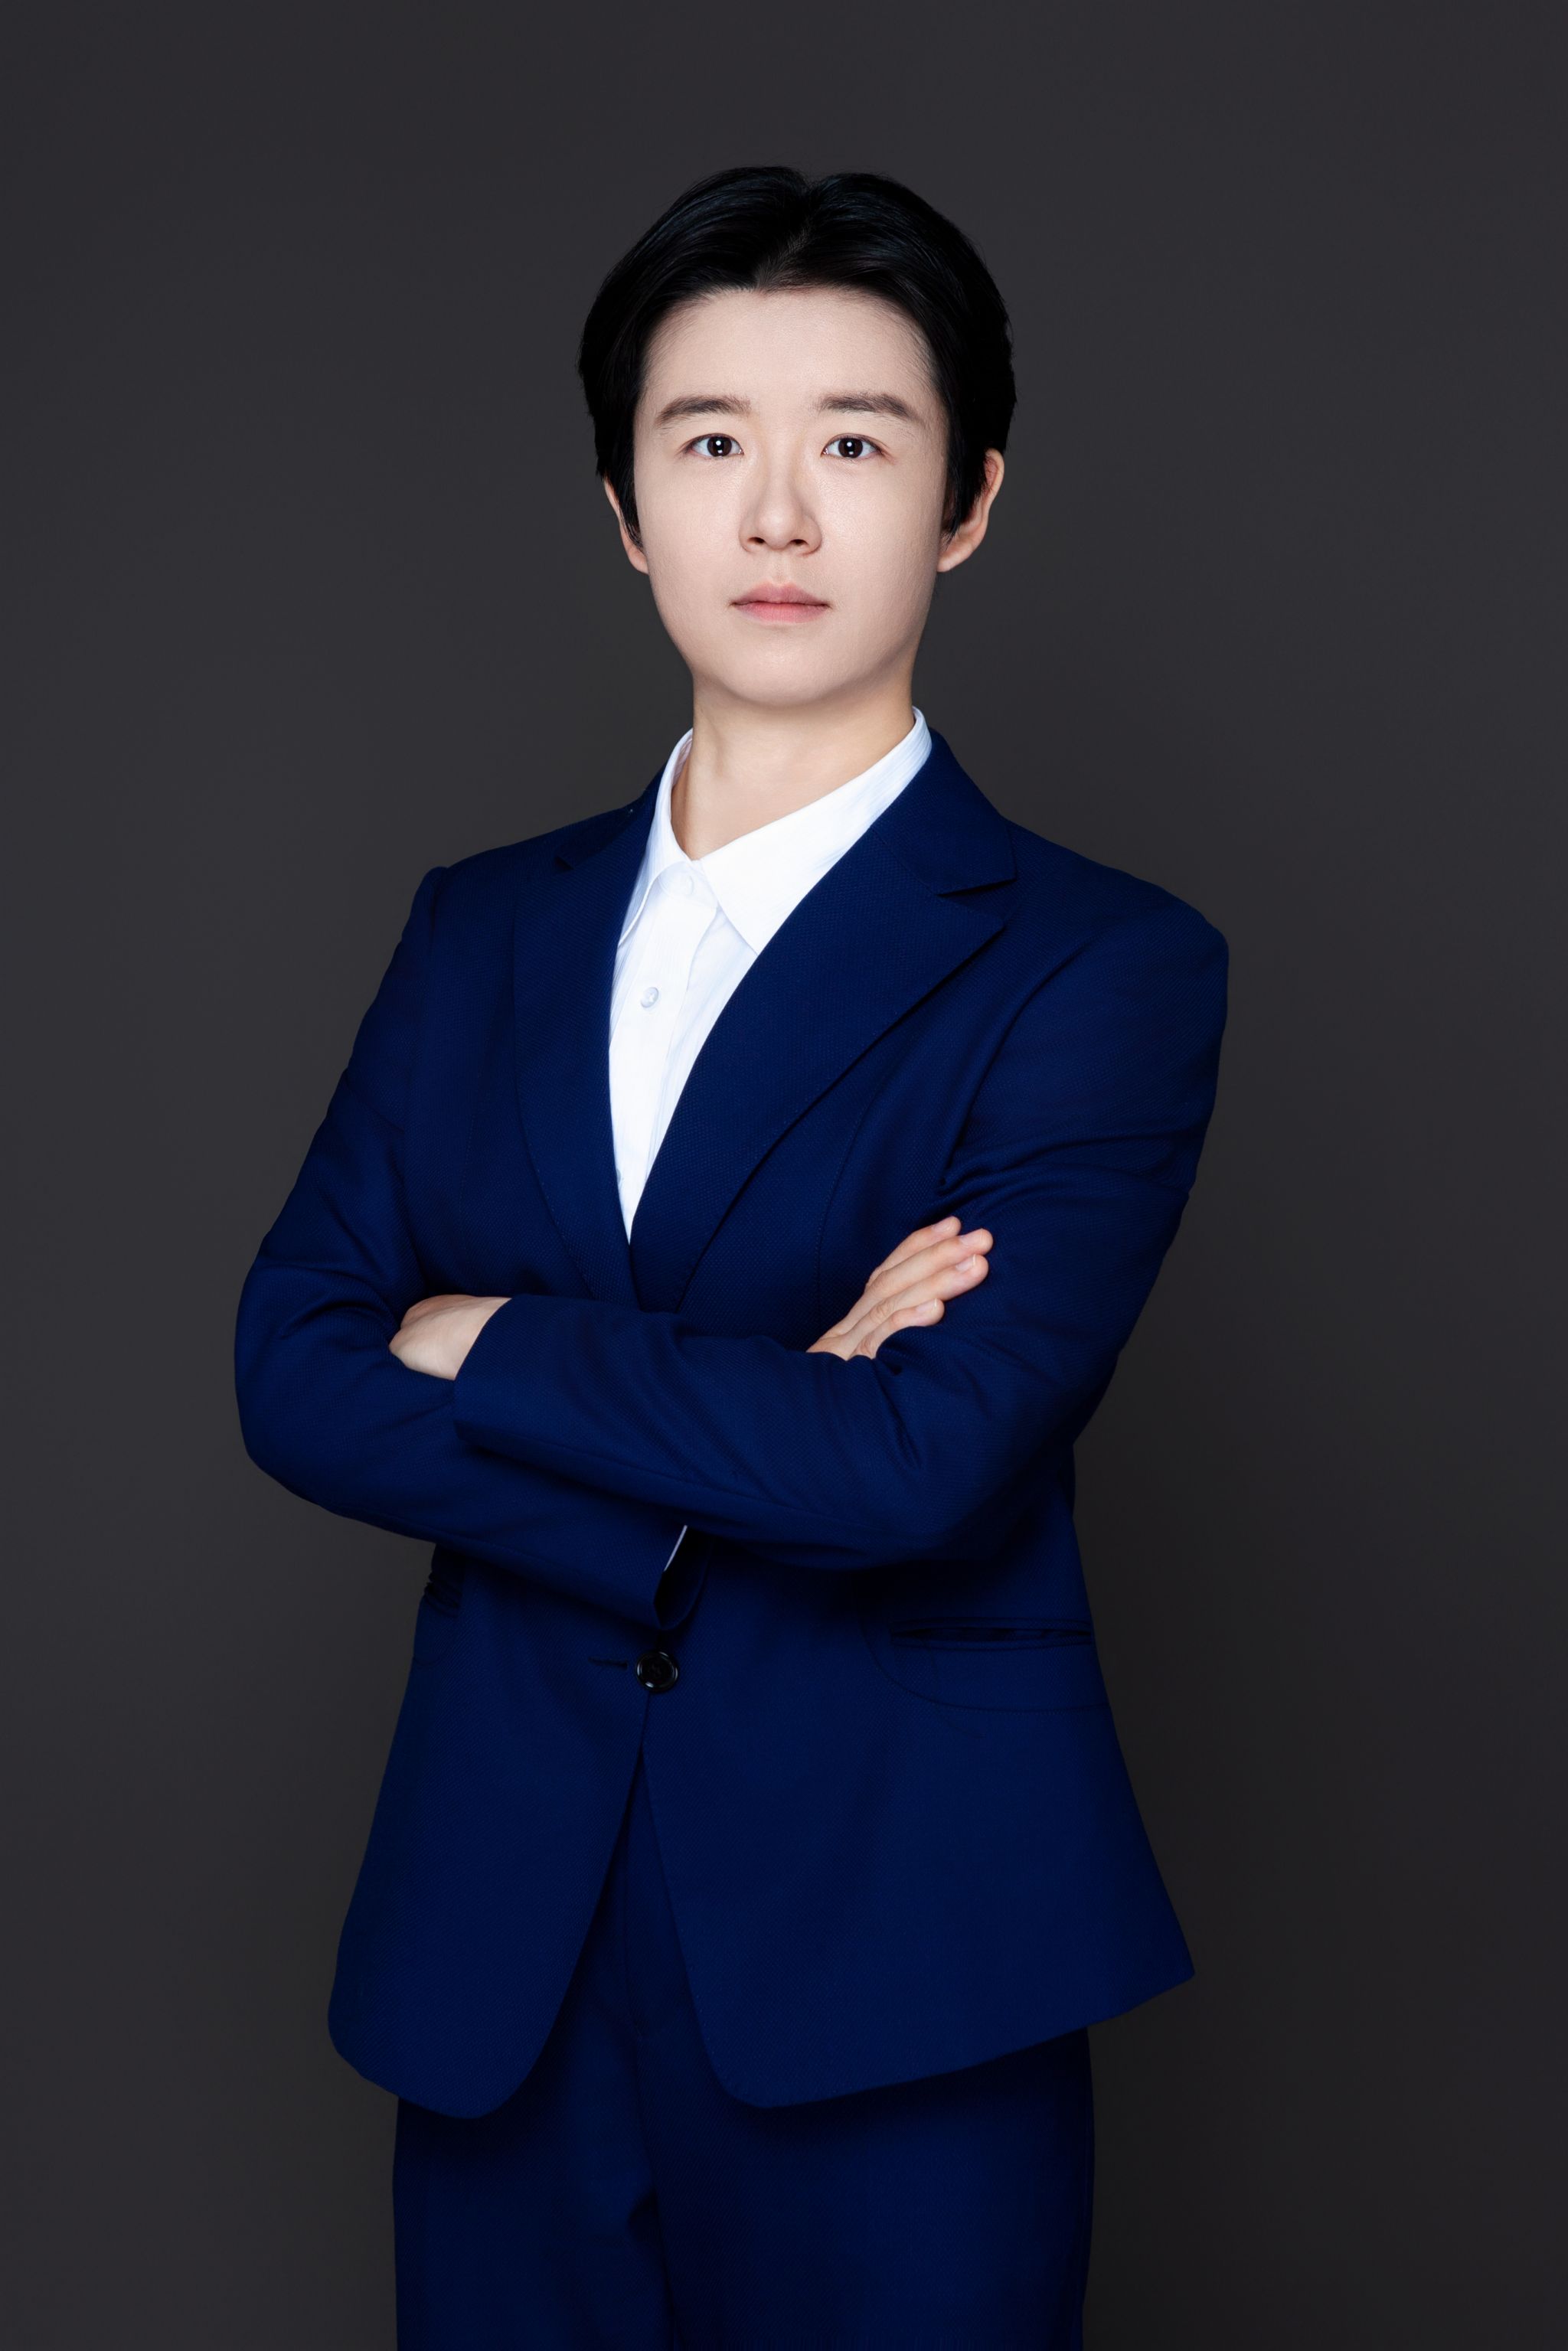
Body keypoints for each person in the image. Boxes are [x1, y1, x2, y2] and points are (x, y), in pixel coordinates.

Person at [235, 164, 1228, 2349]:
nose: (778, 513)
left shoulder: (1101, 964)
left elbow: (916, 1464)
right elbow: (291, 1365)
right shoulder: (477, 927)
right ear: (625, 506)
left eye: (855, 441)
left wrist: (489, 1336)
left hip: (903, 1955)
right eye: (710, 442)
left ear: (966, 501)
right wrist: (745, 1440)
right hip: (498, 1948)